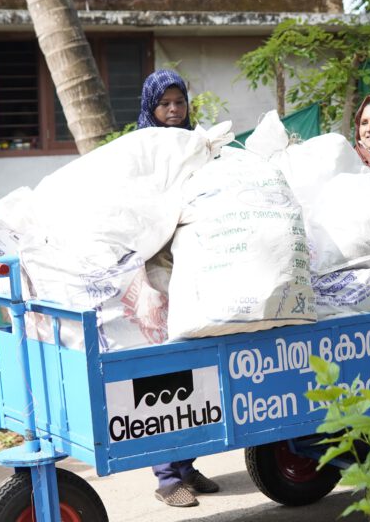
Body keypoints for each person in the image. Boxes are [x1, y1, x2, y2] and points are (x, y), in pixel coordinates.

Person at [137, 69, 221, 508]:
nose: (173, 111)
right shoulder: (142, 147)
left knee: (195, 368)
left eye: (179, 103)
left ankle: (186, 467)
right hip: (156, 266)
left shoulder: (195, 144)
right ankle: (167, 476)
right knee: (166, 374)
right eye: (164, 103)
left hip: (191, 260)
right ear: (151, 106)